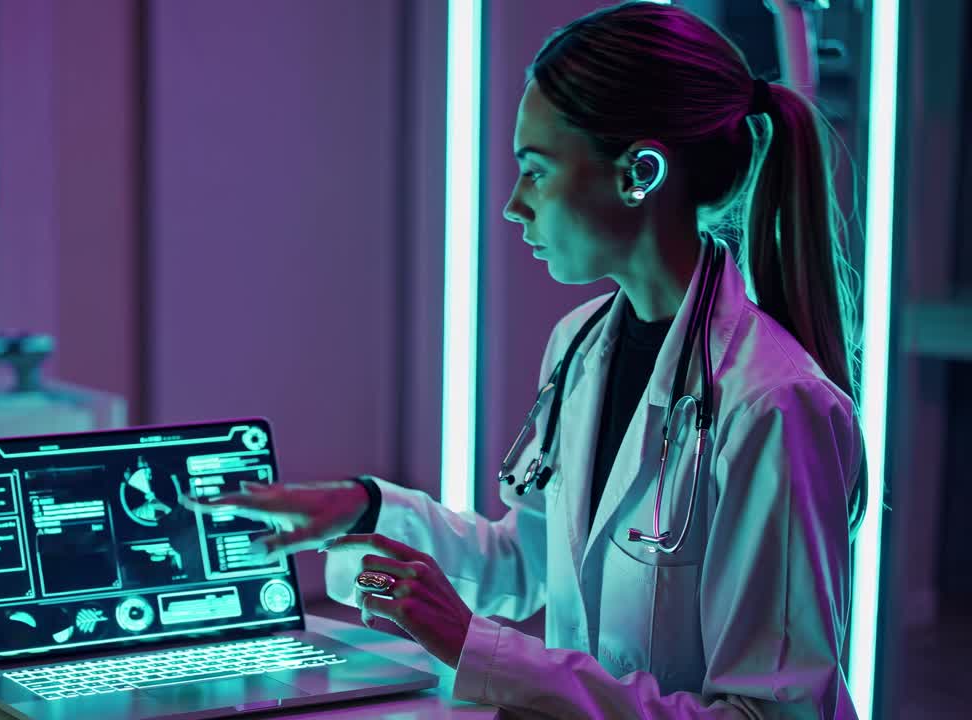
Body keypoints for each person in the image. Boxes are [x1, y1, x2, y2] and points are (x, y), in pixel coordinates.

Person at [182, 2, 866, 716]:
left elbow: (771, 714)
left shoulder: (772, 402)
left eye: (536, 172)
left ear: (641, 171)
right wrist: (366, 507)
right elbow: (528, 562)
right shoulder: (580, 345)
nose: (513, 205)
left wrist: (475, 647)